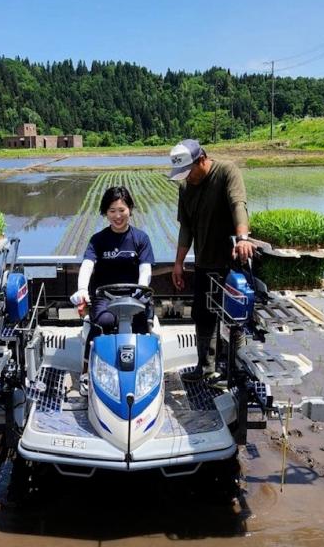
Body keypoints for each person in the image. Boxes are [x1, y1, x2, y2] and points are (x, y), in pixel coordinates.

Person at [169, 139, 253, 380]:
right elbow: (186, 228)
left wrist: (243, 238)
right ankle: (204, 368)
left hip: (231, 262)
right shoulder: (185, 188)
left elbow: (238, 204)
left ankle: (236, 370)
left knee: (235, 317)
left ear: (202, 160)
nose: (187, 178)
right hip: (204, 262)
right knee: (203, 314)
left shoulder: (226, 171)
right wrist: (178, 263)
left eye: (188, 171)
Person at [70, 185, 155, 335]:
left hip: (134, 296)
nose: (117, 216)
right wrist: (82, 289)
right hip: (105, 298)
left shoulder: (141, 238)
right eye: (112, 211)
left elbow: (145, 269)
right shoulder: (98, 240)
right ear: (106, 212)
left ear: (130, 209)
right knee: (104, 322)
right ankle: (88, 358)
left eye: (122, 210)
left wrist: (141, 289)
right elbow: (87, 265)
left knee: (141, 328)